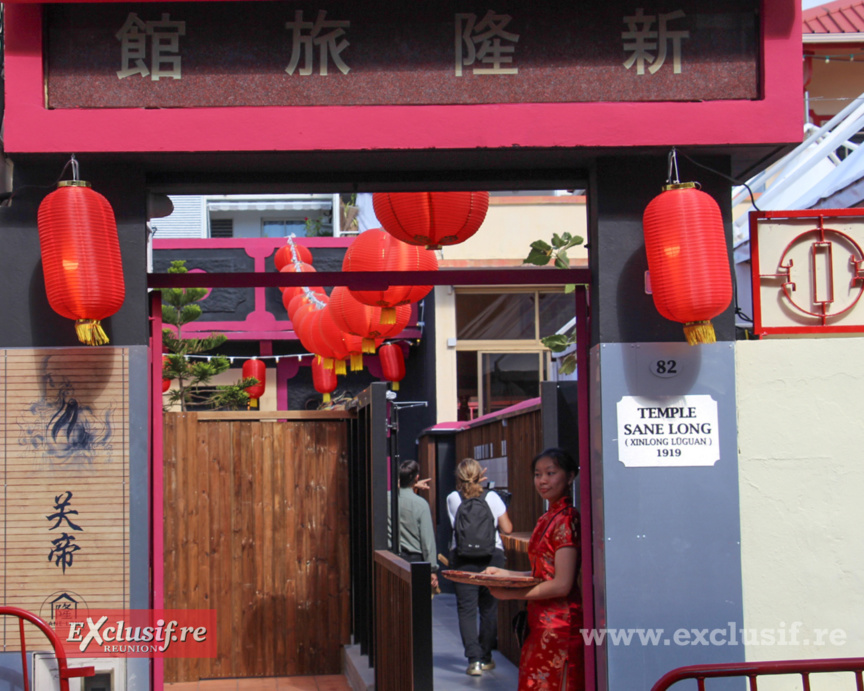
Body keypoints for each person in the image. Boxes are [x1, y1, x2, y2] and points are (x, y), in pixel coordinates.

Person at [485, 447, 583, 691]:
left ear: (570, 476)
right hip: (540, 621)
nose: (543, 480)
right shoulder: (547, 517)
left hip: (560, 624)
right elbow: (544, 573)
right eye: (538, 474)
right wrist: (507, 575)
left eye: (550, 473)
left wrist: (510, 593)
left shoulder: (567, 519)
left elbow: (562, 584)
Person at [446, 458, 513, 676]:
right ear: (480, 475)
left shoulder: (453, 498)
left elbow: (455, 526)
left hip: (463, 558)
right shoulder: (492, 497)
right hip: (492, 557)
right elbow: (507, 528)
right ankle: (486, 657)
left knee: (466, 610)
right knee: (488, 608)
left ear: (458, 477)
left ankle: (473, 661)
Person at [394, 460, 439, 590]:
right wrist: (432, 569)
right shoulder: (421, 504)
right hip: (415, 561)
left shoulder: (387, 500)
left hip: (390, 558)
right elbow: (427, 540)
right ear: (417, 477)